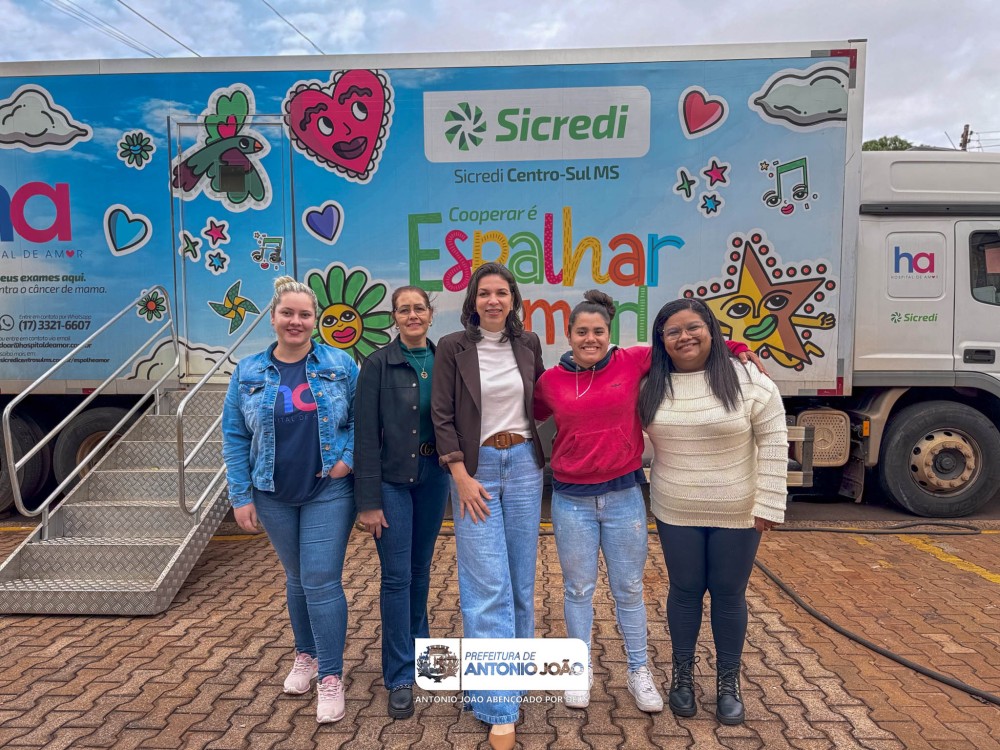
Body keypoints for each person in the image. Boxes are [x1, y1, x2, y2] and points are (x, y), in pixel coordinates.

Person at [533, 290, 759, 713]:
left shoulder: (632, 361)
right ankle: (578, 670)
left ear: (609, 334)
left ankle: (639, 671)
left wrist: (736, 347)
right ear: (569, 334)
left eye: (598, 331)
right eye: (581, 332)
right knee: (578, 588)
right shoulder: (550, 382)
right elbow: (527, 416)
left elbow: (686, 344)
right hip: (571, 501)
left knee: (630, 588)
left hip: (623, 497)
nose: (590, 339)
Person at [639, 297, 787, 726]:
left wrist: (770, 503)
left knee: (727, 593)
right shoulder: (650, 383)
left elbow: (774, 440)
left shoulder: (748, 379)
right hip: (676, 508)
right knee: (685, 591)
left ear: (711, 330)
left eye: (693, 327)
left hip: (738, 510)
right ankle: (682, 677)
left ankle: (728, 683)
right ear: (661, 340)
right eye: (673, 331)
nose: (684, 337)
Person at [221, 275, 358, 724]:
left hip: (327, 490)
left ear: (315, 320)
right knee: (297, 578)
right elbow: (234, 436)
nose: (295, 321)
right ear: (273, 316)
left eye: (304, 314)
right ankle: (307, 654)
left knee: (320, 580)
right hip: (272, 494)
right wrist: (241, 495)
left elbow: (363, 418)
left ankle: (330, 676)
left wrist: (346, 461)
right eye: (287, 313)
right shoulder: (248, 372)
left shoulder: (340, 364)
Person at [430, 262, 545, 750]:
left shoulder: (529, 344)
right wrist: (459, 475)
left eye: (501, 292)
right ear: (473, 301)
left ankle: (505, 682)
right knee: (486, 586)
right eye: (484, 293)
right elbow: (441, 414)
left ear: (513, 299)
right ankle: (500, 707)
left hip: (524, 466)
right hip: (475, 470)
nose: (493, 300)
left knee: (520, 581)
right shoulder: (452, 347)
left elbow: (544, 402)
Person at [354, 286, 449, 720]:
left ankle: (422, 656)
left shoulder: (445, 360)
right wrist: (368, 500)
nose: (412, 315)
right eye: (404, 309)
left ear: (430, 314)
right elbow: (364, 435)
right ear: (394, 317)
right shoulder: (377, 364)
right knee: (396, 577)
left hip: (434, 477)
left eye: (419, 308)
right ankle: (398, 676)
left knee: (420, 571)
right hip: (392, 482)